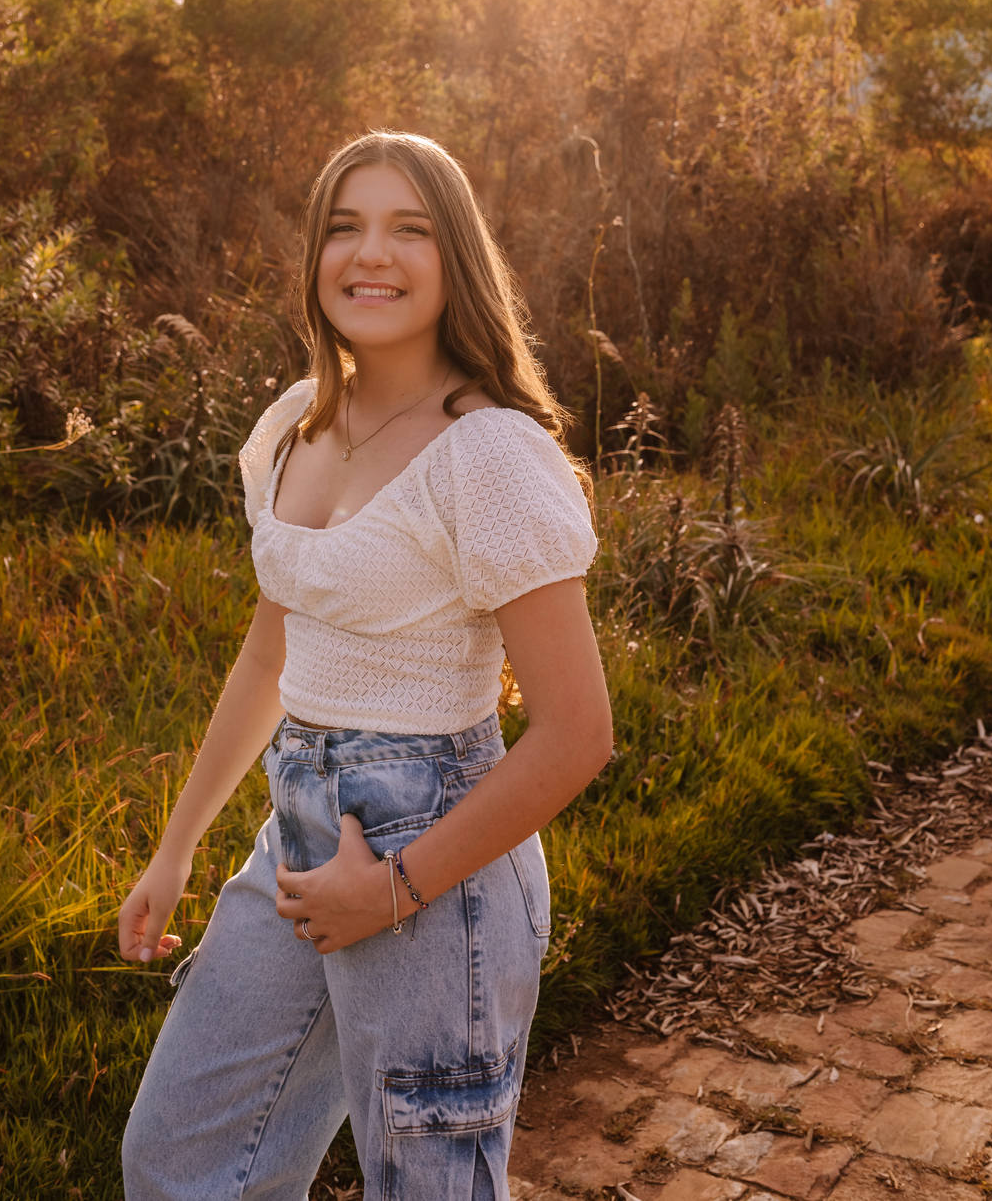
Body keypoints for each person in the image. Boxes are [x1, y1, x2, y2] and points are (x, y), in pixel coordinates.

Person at [119, 131, 613, 1201]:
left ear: (454, 258)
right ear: (315, 256)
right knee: (181, 1158)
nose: (370, 253)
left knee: (425, 1183)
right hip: (296, 838)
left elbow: (578, 733)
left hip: (437, 856)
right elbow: (270, 651)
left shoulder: (488, 452)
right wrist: (177, 847)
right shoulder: (298, 426)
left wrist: (393, 889)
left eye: (408, 229)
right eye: (344, 227)